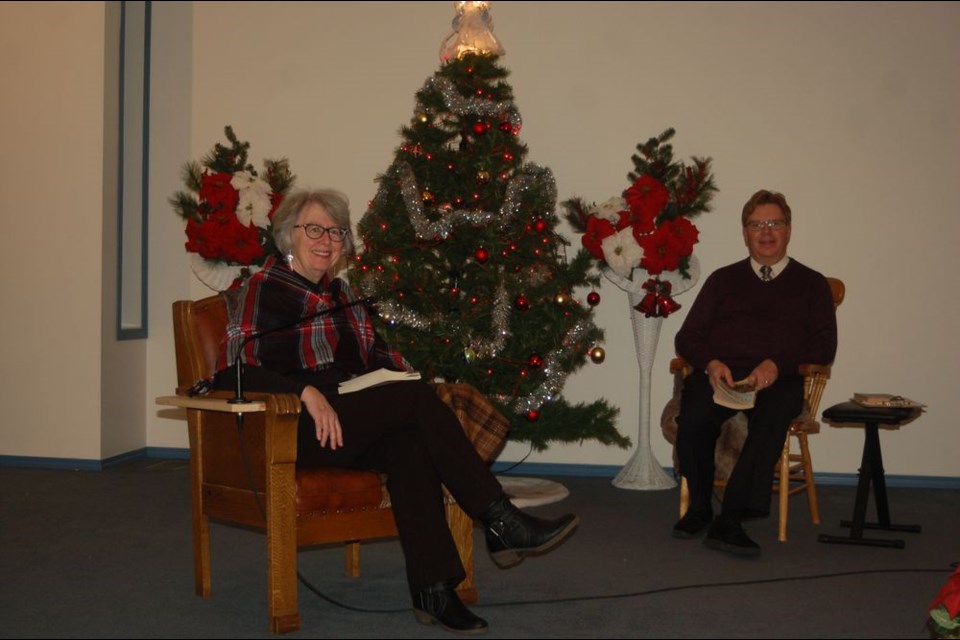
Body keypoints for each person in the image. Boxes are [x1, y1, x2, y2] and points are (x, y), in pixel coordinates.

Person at [212, 188, 578, 634]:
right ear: (289, 235)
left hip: (353, 418)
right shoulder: (260, 290)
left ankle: (434, 592)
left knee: (409, 441)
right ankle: (499, 518)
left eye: (335, 231)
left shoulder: (342, 295)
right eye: (314, 229)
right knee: (413, 401)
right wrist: (304, 390)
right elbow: (231, 369)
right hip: (295, 424)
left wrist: (400, 375)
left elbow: (379, 357)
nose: (326, 240)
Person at [670, 189, 837, 557]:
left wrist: (778, 363)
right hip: (722, 376)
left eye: (774, 223)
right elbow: (687, 337)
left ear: (789, 230)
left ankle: (730, 519)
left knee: (772, 419)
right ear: (744, 233)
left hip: (780, 378)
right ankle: (700, 507)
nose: (765, 231)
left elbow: (825, 346)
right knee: (694, 416)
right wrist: (711, 363)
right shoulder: (722, 280)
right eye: (756, 224)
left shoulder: (811, 284)